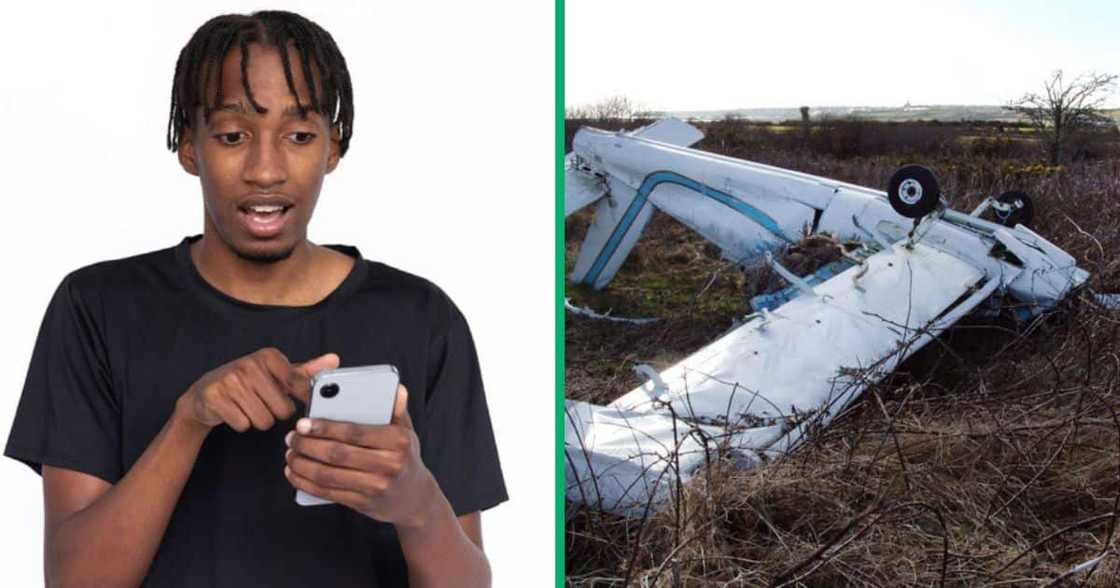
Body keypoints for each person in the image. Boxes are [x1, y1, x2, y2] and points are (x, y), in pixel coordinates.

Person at [3, 10, 506, 587]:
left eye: (298, 135)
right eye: (232, 135)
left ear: (332, 149)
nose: (265, 170)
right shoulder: (96, 308)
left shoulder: (423, 320)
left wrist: (417, 503)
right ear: (188, 146)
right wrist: (189, 420)